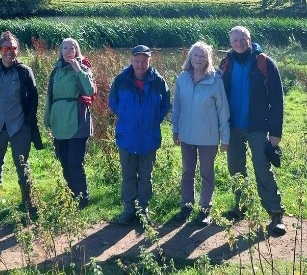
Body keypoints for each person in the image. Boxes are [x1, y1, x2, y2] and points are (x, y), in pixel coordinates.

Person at [219, 26, 287, 236]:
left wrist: (275, 133)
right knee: (235, 169)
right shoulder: (226, 63)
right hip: (233, 127)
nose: (238, 43)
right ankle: (242, 206)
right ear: (230, 42)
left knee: (262, 169)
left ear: (250, 40)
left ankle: (275, 214)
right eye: (234, 40)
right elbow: (217, 96)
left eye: (242, 39)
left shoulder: (264, 63)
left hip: (258, 127)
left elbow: (277, 100)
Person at [0, 31, 43, 217]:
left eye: (13, 48)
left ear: (17, 50)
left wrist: (28, 123)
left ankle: (28, 199)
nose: (9, 52)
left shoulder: (25, 72)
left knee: (22, 164)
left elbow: (34, 98)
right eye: (6, 48)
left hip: (19, 126)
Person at [109, 45, 171, 226]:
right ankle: (129, 209)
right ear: (131, 61)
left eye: (144, 61)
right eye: (137, 60)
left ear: (149, 61)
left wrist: (152, 120)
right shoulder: (121, 80)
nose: (140, 64)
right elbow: (113, 103)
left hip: (149, 137)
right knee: (128, 176)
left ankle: (143, 209)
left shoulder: (158, 81)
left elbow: (166, 104)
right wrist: (127, 117)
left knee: (145, 176)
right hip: (126, 137)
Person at [171, 41, 230, 227]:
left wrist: (225, 137)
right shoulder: (182, 78)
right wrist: (175, 129)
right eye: (195, 55)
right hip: (187, 136)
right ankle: (186, 206)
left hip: (208, 138)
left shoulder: (215, 80)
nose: (198, 59)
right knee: (187, 172)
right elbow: (177, 106)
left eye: (202, 56)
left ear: (208, 60)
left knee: (206, 173)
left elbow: (223, 111)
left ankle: (205, 209)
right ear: (190, 57)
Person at [44, 38, 95, 208]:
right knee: (64, 161)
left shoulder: (84, 68)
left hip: (78, 120)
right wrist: (47, 119)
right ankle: (72, 195)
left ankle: (83, 198)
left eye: (71, 48)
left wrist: (78, 69)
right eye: (65, 47)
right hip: (59, 122)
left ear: (76, 50)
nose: (68, 50)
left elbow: (90, 90)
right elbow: (50, 97)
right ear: (61, 51)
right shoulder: (56, 71)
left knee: (75, 162)